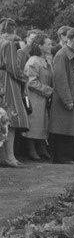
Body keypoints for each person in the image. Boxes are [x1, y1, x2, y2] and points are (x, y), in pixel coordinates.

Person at [50, 28, 74, 164]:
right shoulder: (62, 55)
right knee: (65, 127)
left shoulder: (73, 53)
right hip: (67, 98)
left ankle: (72, 156)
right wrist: (67, 100)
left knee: (71, 126)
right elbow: (60, 79)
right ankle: (63, 157)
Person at [0, 18, 30, 167]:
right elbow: (12, 68)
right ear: (13, 32)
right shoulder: (8, 44)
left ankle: (3, 156)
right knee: (10, 119)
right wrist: (24, 78)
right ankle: (10, 157)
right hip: (6, 82)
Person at [22, 34, 53, 161]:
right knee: (34, 123)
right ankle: (31, 149)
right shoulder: (33, 61)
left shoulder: (46, 60)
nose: (51, 46)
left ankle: (41, 147)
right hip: (34, 97)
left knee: (42, 123)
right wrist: (49, 91)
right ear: (40, 46)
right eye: (48, 44)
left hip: (43, 97)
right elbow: (31, 82)